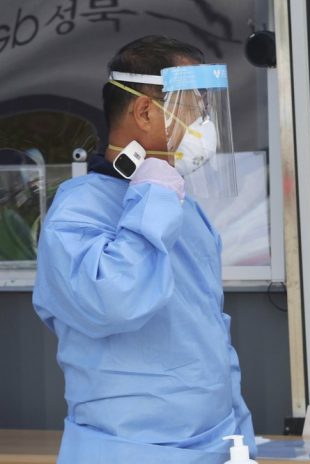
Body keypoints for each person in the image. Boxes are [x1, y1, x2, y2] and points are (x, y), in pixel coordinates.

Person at [32, 35, 255, 463]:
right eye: (193, 105)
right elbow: (114, 300)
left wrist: (239, 439)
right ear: (145, 110)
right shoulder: (78, 209)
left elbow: (209, 337)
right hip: (126, 450)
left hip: (215, 445)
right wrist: (151, 198)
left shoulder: (182, 208)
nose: (204, 121)